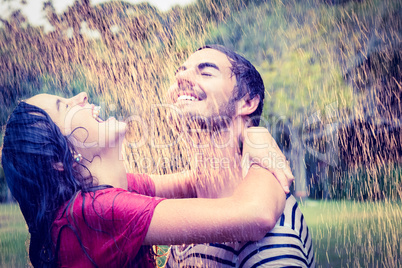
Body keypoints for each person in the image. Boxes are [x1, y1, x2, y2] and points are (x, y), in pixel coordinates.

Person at [1, 91, 292, 267]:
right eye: (66, 106)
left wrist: (229, 135)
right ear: (57, 160)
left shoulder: (103, 196)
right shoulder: (96, 212)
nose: (82, 97)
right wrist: (261, 140)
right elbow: (256, 215)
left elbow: (197, 182)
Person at [165, 45, 315, 267]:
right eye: (181, 70)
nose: (180, 76)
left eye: (206, 72)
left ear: (246, 102)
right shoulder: (198, 210)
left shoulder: (268, 238)